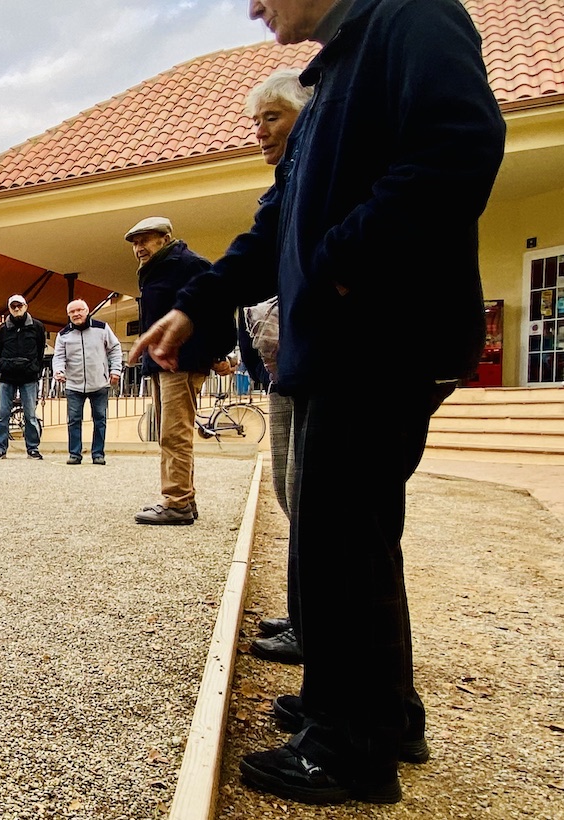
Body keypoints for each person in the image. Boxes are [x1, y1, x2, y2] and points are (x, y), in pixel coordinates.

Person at [132, 0, 505, 804]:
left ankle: (350, 747)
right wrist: (197, 303)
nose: (253, 6)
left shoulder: (413, 19)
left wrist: (343, 257)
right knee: (353, 538)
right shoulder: (334, 69)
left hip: (378, 339)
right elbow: (268, 239)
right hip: (343, 345)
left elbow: (460, 147)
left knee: (340, 537)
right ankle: (374, 706)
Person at [238, 68, 314, 668]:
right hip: (289, 362)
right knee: (293, 493)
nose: (260, 132)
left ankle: (320, 633)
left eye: (273, 118)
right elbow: (260, 253)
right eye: (255, 121)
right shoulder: (286, 182)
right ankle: (308, 614)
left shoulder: (317, 172)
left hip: (325, 361)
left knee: (321, 505)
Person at [126, 217, 235, 524]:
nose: (138, 248)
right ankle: (183, 497)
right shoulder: (155, 270)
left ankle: (177, 502)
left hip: (183, 361)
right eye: (135, 243)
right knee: (169, 433)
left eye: (145, 240)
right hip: (163, 364)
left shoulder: (189, 265)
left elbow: (218, 308)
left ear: (165, 237)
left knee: (174, 434)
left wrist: (218, 353)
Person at [51, 299, 122, 465]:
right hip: (74, 385)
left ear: (87, 310)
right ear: (68, 315)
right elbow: (59, 357)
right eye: (72, 312)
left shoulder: (102, 328)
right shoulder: (63, 334)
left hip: (100, 383)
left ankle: (98, 454)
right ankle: (75, 454)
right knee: (74, 420)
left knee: (100, 419)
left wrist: (116, 370)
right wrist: (58, 371)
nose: (76, 314)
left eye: (79, 310)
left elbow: (115, 349)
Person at [0, 294, 46, 460]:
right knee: (2, 414)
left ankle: (33, 448)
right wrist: (5, 366)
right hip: (7, 377)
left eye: (19, 305)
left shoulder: (37, 327)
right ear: (9, 308)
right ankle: (0, 448)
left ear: (26, 306)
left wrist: (34, 368)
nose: (16, 309)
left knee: (30, 414)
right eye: (13, 306)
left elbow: (40, 351)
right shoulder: (1, 330)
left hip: (29, 377)